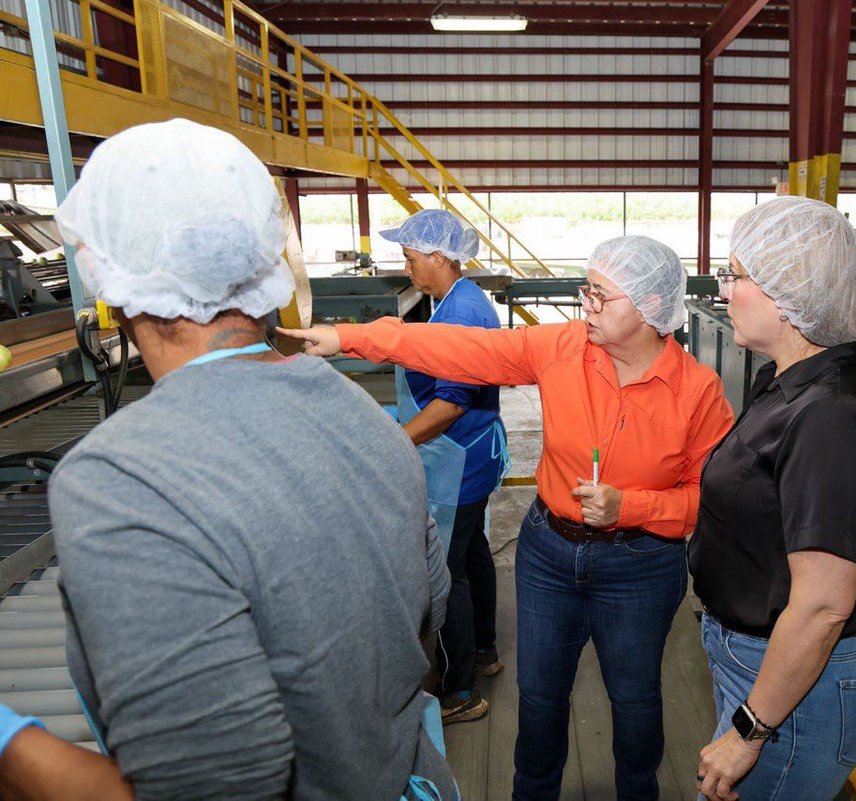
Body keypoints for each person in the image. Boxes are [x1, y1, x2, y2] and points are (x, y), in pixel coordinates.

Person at [0, 118, 455, 801]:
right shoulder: (363, 414)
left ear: (109, 276)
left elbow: (214, 784)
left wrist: (9, 741)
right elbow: (425, 619)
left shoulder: (119, 479)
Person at [279, 235, 734, 801]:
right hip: (549, 554)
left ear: (651, 310)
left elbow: (706, 501)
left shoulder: (698, 392)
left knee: (636, 699)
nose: (584, 307)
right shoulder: (561, 348)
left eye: (601, 297)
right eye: (584, 291)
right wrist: (348, 337)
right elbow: (458, 349)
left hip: (641, 566)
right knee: (540, 698)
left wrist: (631, 507)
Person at [688, 197, 856, 801]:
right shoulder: (785, 382)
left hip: (794, 692)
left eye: (736, 275)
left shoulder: (829, 415)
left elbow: (824, 605)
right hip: (762, 668)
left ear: (790, 292)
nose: (724, 293)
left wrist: (749, 730)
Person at [381, 208, 508, 724]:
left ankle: (459, 691)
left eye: (411, 258)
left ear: (438, 256)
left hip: (455, 459)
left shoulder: (460, 315)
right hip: (473, 454)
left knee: (448, 572)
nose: (406, 267)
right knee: (474, 552)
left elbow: (450, 404)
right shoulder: (458, 300)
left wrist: (395, 440)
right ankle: (484, 650)